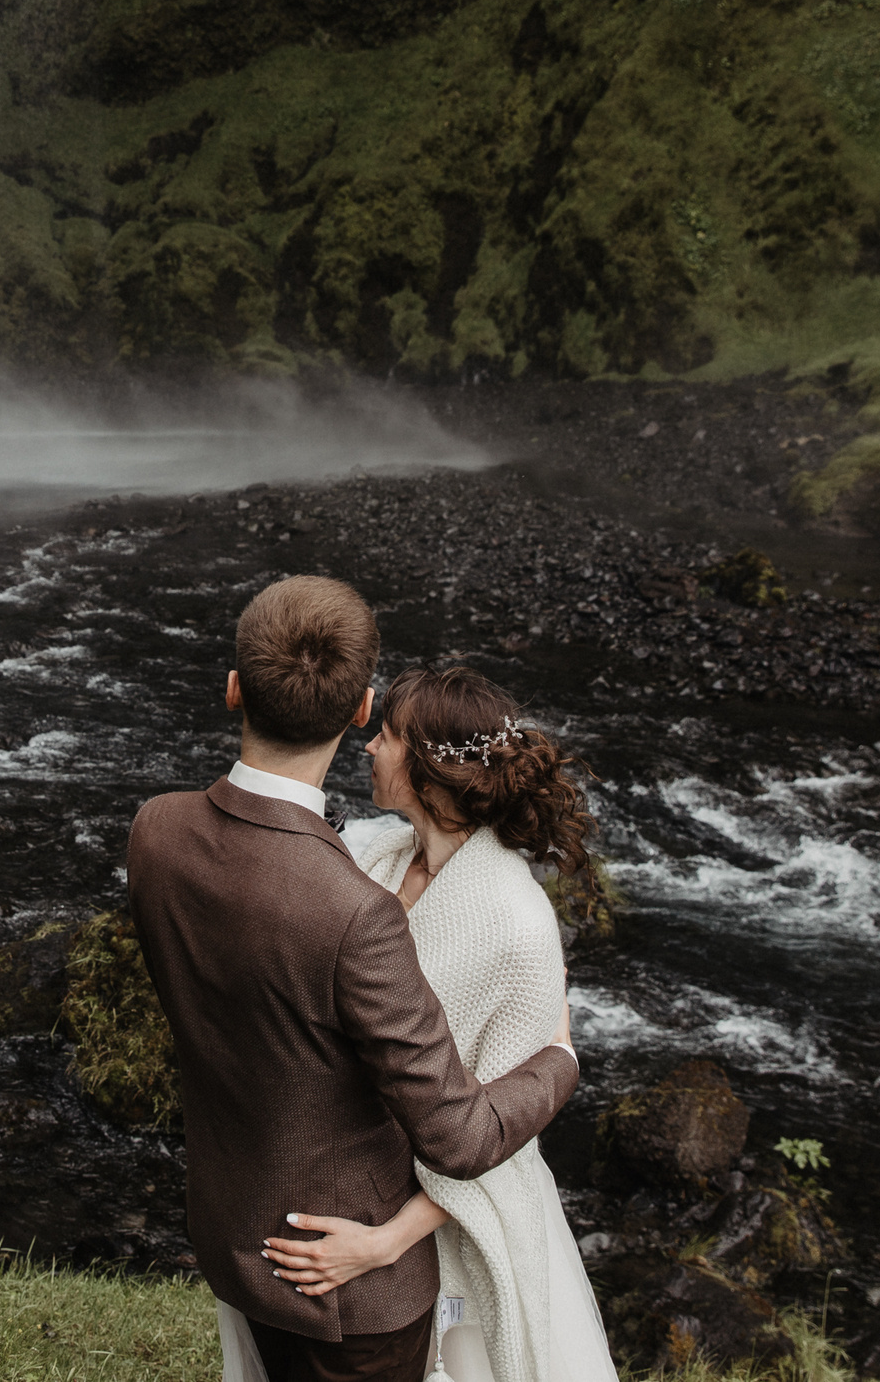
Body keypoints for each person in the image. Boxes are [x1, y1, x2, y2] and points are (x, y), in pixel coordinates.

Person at [125, 576, 581, 1382]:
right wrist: (563, 1059)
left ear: (234, 689)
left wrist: (390, 1236)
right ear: (360, 708)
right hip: (338, 1277)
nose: (374, 748)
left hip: (252, 1228)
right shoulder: (358, 891)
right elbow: (464, 1133)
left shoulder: (155, 829)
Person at [263, 666, 617, 1382]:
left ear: (432, 767)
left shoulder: (517, 924)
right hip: (349, 1174)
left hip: (439, 1229)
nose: (368, 746)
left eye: (388, 735)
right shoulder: (375, 855)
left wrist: (384, 1242)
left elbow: (503, 1135)